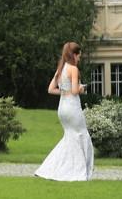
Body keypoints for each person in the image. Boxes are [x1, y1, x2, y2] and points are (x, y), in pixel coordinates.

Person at [34, 41, 94, 181]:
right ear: (74, 54)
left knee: (70, 138)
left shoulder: (61, 69)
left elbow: (50, 89)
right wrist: (82, 88)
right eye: (79, 55)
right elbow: (74, 90)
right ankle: (78, 172)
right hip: (72, 108)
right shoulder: (73, 69)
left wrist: (64, 92)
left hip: (62, 109)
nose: (79, 58)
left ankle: (49, 168)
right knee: (81, 136)